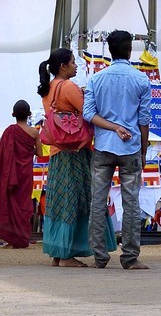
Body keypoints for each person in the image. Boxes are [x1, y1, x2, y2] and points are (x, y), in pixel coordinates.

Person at [38, 50, 118, 267]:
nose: (76, 66)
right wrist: (114, 125)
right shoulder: (68, 87)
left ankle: (59, 252)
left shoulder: (48, 88)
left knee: (59, 200)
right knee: (77, 200)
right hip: (76, 151)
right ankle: (67, 256)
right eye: (73, 63)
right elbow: (88, 112)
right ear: (63, 66)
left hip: (57, 151)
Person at [84, 30, 154, 271]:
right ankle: (130, 257)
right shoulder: (141, 80)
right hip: (131, 147)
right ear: (129, 50)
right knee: (131, 203)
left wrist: (112, 127)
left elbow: (89, 114)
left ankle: (99, 256)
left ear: (110, 51)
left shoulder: (95, 79)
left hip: (103, 146)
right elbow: (144, 120)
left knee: (98, 201)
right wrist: (143, 151)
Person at [0, 99, 38, 248]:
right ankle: (21, 239)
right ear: (29, 114)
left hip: (11, 175)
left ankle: (13, 239)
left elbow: (3, 156)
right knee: (23, 204)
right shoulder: (34, 132)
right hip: (26, 174)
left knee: (11, 202)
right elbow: (38, 152)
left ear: (13, 114)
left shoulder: (9, 131)